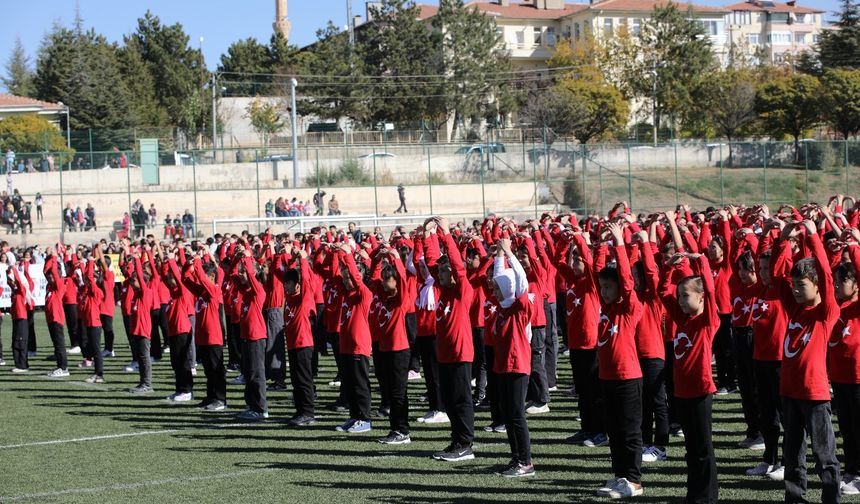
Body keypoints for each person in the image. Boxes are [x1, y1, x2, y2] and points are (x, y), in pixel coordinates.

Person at [776, 219, 841, 504]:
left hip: (814, 395)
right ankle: (795, 497)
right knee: (792, 453)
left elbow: (827, 275)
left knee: (824, 454)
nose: (795, 290)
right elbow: (778, 276)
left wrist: (814, 238)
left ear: (816, 286)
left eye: (802, 285)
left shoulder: (825, 313)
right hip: (789, 393)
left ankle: (831, 498)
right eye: (794, 285)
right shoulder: (794, 308)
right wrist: (782, 239)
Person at [660, 251, 719, 504]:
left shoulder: (707, 321)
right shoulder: (682, 319)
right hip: (682, 392)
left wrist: (701, 261)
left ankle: (708, 497)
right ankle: (694, 494)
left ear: (701, 297)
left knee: (703, 449)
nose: (681, 301)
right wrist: (669, 269)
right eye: (680, 296)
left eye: (686, 296)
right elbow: (663, 293)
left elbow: (713, 292)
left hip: (700, 391)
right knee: (691, 450)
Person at [594, 222, 645, 499]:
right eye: (602, 287)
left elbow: (626, 280)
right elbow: (596, 274)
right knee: (614, 431)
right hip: (608, 378)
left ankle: (634, 481)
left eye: (608, 287)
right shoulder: (606, 308)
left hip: (628, 378)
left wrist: (619, 244)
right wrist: (601, 246)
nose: (603, 291)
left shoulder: (628, 307)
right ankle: (620, 476)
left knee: (629, 431)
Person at [424, 216, 476, 462]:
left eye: (445, 272)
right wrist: (428, 236)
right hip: (444, 354)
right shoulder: (443, 290)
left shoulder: (462, 290)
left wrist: (445, 235)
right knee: (450, 401)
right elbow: (433, 262)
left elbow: (457, 266)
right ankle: (456, 440)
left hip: (460, 353)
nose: (440, 274)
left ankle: (466, 444)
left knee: (461, 400)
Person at [491, 237, 535, 477]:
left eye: (497, 288)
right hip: (503, 367)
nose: (493, 290)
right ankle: (516, 458)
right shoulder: (503, 307)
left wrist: (510, 254)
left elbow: (519, 280)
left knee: (517, 415)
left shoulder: (519, 307)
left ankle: (526, 462)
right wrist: (499, 254)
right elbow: (502, 277)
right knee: (508, 415)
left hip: (517, 367)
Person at [333, 242, 373, 433]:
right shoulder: (347, 294)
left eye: (351, 277)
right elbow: (337, 276)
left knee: (360, 385)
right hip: (346, 347)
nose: (347, 280)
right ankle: (355, 416)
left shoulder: (364, 294)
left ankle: (364, 419)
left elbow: (356, 278)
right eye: (346, 277)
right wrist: (337, 254)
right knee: (350, 385)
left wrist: (348, 256)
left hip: (358, 346)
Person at [183, 247, 227, 411]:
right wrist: (188, 265)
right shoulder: (202, 291)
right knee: (209, 371)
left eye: (206, 278)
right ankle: (210, 397)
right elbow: (186, 279)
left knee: (217, 370)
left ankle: (220, 399)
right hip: (202, 336)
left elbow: (200, 277)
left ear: (212, 277)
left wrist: (197, 261)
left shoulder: (214, 290)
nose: (202, 280)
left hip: (213, 336)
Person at [282, 244, 317, 426]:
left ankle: (308, 412)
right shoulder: (289, 298)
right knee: (296, 380)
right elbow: (287, 273)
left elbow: (306, 280)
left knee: (304, 380)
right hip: (293, 344)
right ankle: (300, 411)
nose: (286, 286)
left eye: (289, 284)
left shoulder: (304, 297)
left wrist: (302, 259)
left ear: (297, 285)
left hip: (303, 344)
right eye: (285, 283)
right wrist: (291, 258)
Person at [234, 244, 269, 421]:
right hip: (246, 337)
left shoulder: (257, 291)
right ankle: (252, 405)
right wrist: (238, 257)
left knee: (257, 374)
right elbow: (232, 275)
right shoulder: (245, 290)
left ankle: (261, 408)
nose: (241, 274)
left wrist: (247, 258)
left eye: (244, 271)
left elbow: (249, 275)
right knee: (248, 374)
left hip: (256, 337)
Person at [43, 247, 68, 377]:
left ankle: (63, 368)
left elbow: (52, 270)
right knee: (56, 343)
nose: (49, 278)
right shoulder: (50, 286)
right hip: (51, 319)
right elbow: (46, 271)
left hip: (57, 318)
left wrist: (53, 257)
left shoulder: (59, 285)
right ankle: (60, 366)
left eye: (52, 277)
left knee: (59, 343)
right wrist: (48, 258)